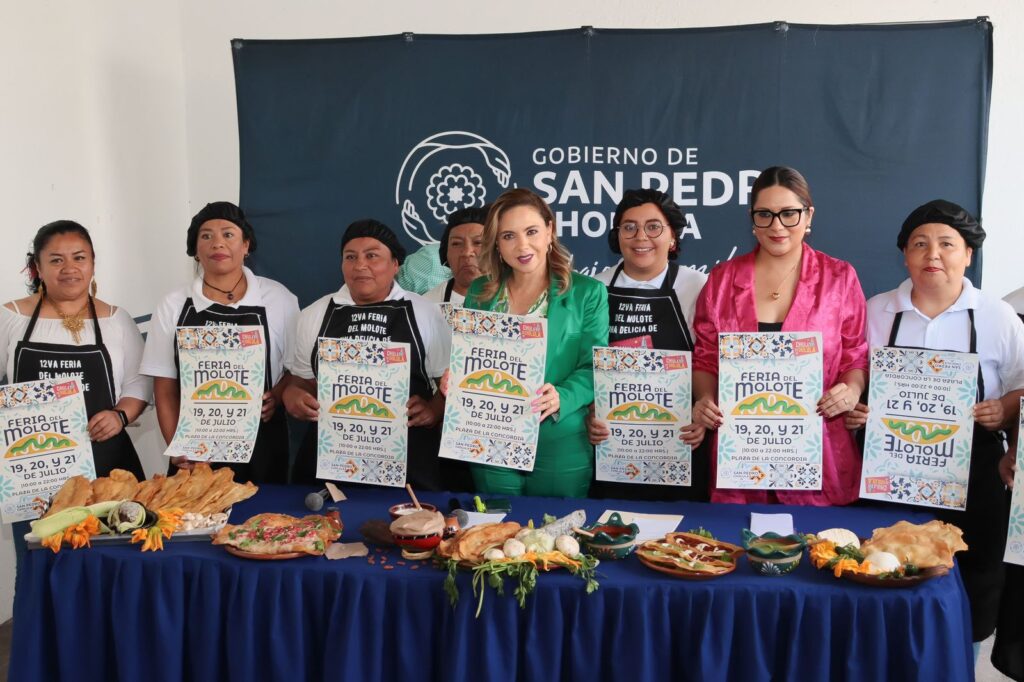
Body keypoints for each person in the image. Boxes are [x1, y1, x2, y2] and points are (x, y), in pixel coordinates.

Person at [845, 199, 1024, 649]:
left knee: (970, 595)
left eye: (947, 244)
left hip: (974, 478)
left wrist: (1003, 408)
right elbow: (852, 376)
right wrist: (857, 410)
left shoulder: (997, 316)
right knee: (880, 580)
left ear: (969, 254)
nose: (933, 255)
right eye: (920, 244)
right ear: (905, 254)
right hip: (887, 477)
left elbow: (1023, 385)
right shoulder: (876, 310)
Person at [691, 166, 868, 505]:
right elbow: (706, 356)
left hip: (820, 457)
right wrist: (705, 399)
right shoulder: (722, 279)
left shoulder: (840, 278)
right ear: (752, 219)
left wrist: (852, 390)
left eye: (789, 213)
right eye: (765, 215)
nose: (776, 226)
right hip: (740, 462)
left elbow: (854, 355)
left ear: (808, 215)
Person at [284, 219, 457, 490]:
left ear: (395, 264)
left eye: (372, 256)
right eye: (350, 257)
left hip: (408, 461)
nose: (360, 265)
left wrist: (433, 409)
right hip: (332, 459)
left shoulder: (426, 312)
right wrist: (293, 395)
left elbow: (450, 385)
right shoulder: (314, 314)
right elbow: (301, 380)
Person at [458, 188, 609, 497]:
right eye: (509, 236)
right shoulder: (479, 292)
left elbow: (594, 366)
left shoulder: (588, 293)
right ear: (497, 243)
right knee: (496, 524)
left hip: (560, 437)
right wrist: (456, 377)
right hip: (489, 435)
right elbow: (467, 359)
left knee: (557, 525)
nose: (522, 245)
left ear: (549, 230)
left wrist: (563, 396)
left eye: (531, 231)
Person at [141, 202, 299, 483]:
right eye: (206, 236)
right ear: (195, 250)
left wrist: (276, 395)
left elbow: (296, 371)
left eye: (228, 234)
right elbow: (164, 388)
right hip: (196, 450)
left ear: (246, 245)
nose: (217, 243)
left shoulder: (279, 299)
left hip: (262, 445)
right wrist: (178, 448)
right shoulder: (173, 304)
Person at [586, 189, 709, 500]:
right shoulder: (595, 288)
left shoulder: (699, 286)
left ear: (673, 237)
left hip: (681, 442)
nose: (641, 236)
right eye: (629, 227)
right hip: (612, 446)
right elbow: (581, 364)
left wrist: (702, 414)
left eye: (654, 227)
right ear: (617, 236)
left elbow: (712, 360)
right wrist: (588, 413)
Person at [1, 220, 149, 479]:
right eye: (56, 260)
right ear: (38, 267)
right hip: (33, 467)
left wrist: (119, 417)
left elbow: (139, 383)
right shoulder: (11, 317)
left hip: (108, 463)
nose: (69, 268)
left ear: (92, 263)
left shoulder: (116, 319)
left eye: (79, 258)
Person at [422, 206, 487, 306]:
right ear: (445, 253)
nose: (467, 253)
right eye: (456, 243)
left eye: (478, 242)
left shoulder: (512, 300)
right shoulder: (427, 304)